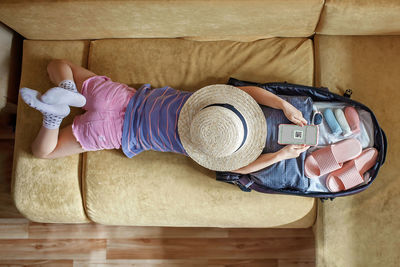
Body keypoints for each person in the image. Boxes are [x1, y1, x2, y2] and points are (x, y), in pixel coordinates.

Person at [20, 59, 309, 174]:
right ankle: (54, 118)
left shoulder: (208, 102)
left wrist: (284, 105)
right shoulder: (203, 145)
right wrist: (279, 156)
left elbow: (249, 91)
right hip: (115, 132)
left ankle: (67, 90)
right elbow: (237, 171)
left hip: (119, 97)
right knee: (43, 151)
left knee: (58, 66)